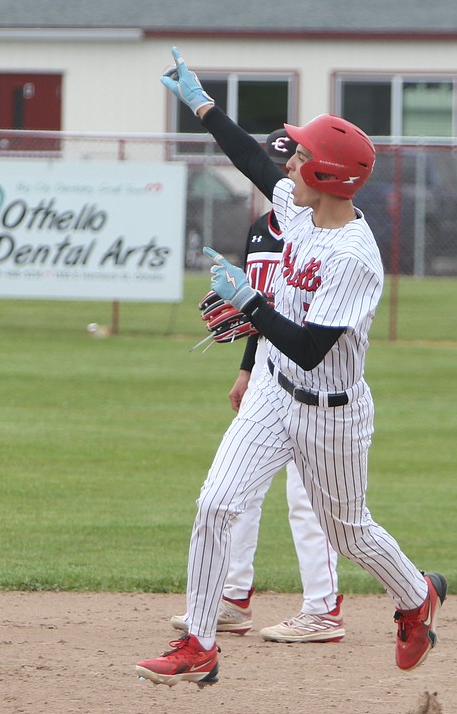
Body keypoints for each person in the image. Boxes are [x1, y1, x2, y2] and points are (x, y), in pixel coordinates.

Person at [136, 47, 447, 687]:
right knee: (217, 504)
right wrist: (204, 105)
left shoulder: (353, 256)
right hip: (276, 392)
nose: (290, 158)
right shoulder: (303, 209)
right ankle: (199, 644)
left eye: (302, 155)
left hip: (331, 413)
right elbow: (252, 159)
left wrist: (248, 300)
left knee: (351, 532)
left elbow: (312, 346)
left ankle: (416, 596)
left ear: (330, 177)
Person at [170, 128, 346, 645]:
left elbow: (300, 325)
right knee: (235, 491)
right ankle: (232, 598)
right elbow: (264, 313)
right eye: (278, 161)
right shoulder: (258, 231)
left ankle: (323, 607)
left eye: (290, 159)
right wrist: (247, 368)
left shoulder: (324, 235)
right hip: (269, 370)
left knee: (310, 499)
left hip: (315, 373)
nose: (282, 169)